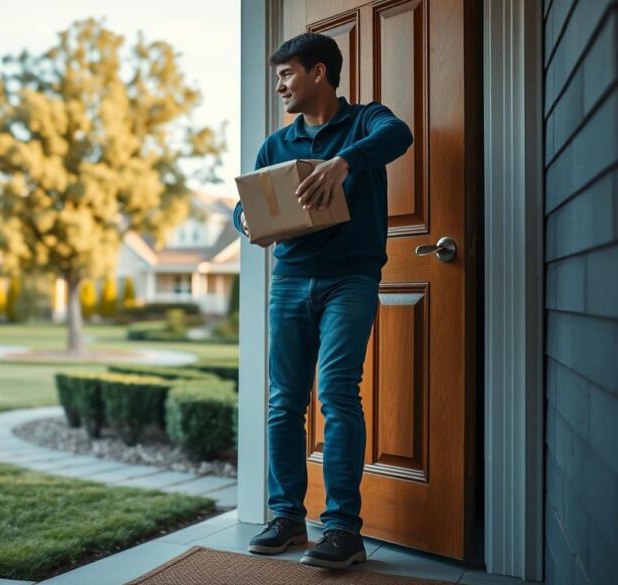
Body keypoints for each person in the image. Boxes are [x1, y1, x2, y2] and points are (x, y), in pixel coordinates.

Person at [234, 32, 413, 569]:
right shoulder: (276, 145)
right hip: (288, 280)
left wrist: (344, 163)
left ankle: (342, 530)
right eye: (277, 77)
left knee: (337, 394)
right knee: (283, 400)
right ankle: (287, 518)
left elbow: (399, 135)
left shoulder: (366, 122)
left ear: (318, 73)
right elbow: (247, 205)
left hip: (350, 281)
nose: (281, 85)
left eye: (287, 74)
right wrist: (245, 221)